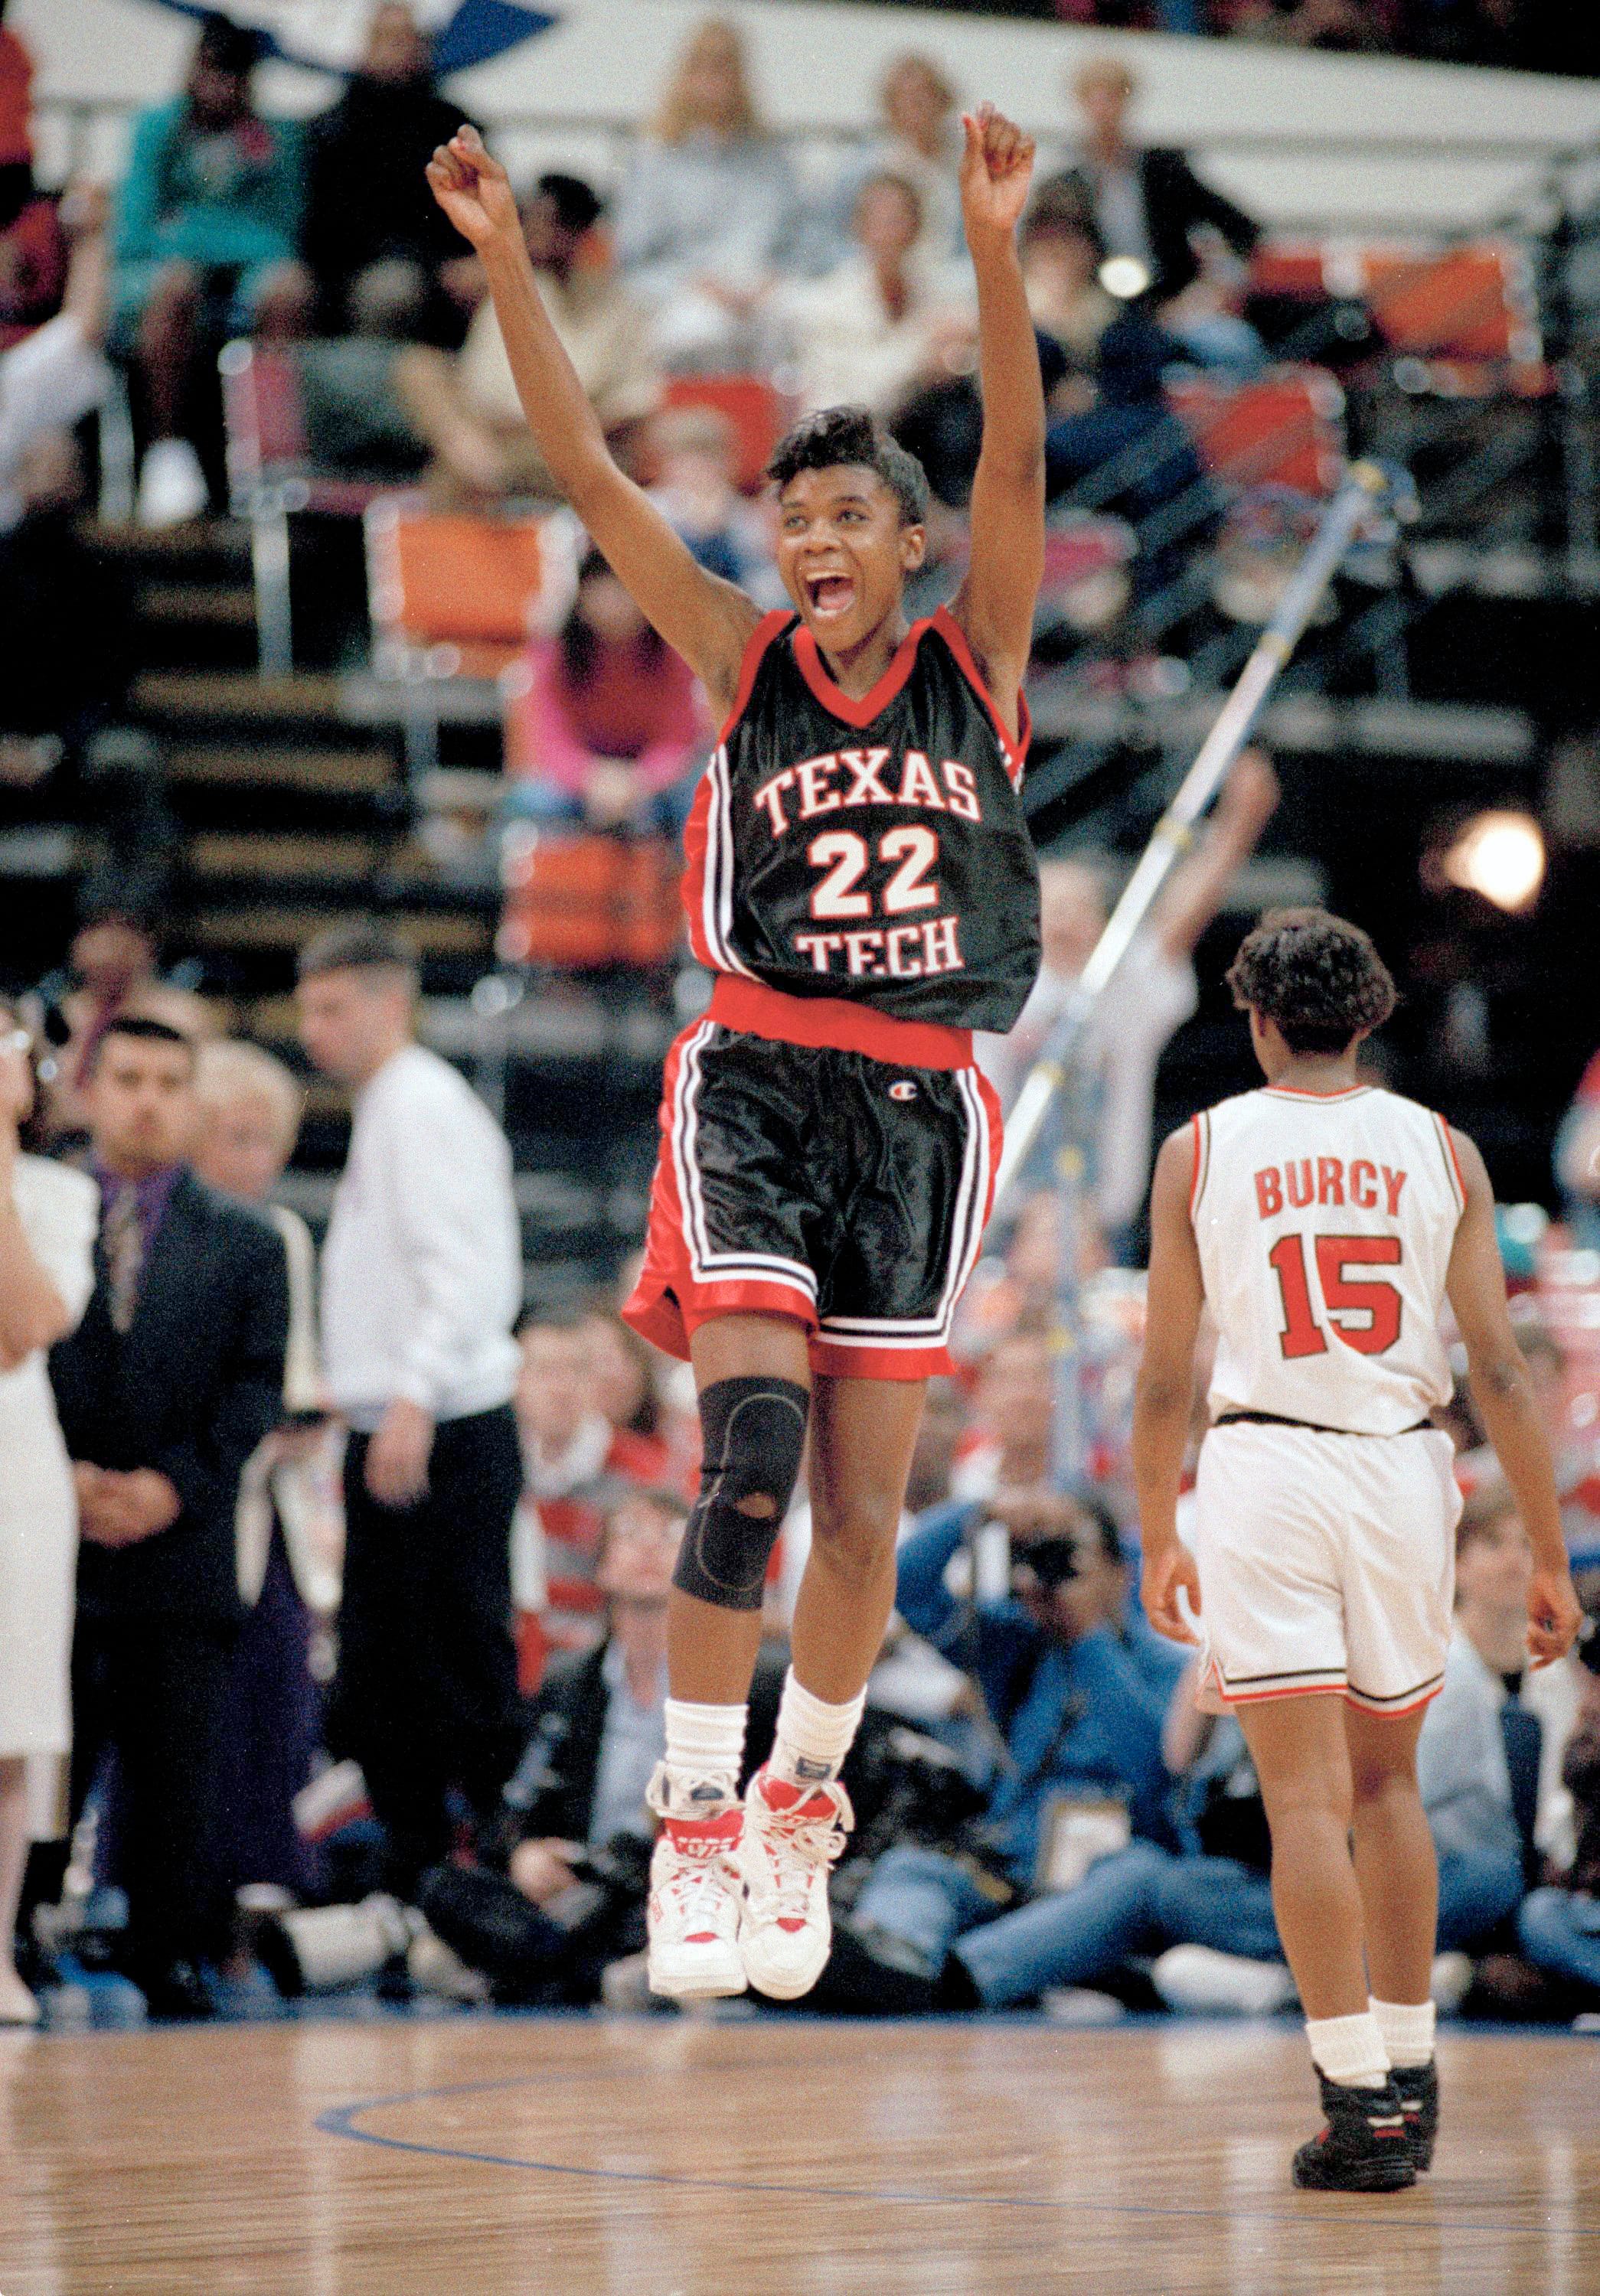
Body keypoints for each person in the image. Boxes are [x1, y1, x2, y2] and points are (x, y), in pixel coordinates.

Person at [426, 101, 1047, 2004]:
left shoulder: (977, 658)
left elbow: (1015, 444)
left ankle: (801, 1801)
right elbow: (584, 470)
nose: (808, 537)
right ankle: (697, 1817)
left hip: (924, 1102)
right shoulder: (733, 650)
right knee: (753, 1449)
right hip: (760, 1074)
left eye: (845, 512)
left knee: (867, 1508)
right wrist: (510, 269)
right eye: (792, 516)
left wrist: (990, 239)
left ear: (909, 541)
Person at [1132, 908, 1582, 2190]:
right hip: (1401, 1465)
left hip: (1267, 1463)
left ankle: (1356, 2100)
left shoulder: (1200, 1149)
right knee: (1386, 1787)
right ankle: (1412, 2065)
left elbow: (1166, 1377)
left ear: (1259, 1022)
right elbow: (1497, 1368)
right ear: (1375, 1017)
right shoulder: (1441, 1148)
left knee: (1305, 1803)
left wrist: (1156, 1526)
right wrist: (1549, 1556)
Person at [48, 1016, 289, 2018]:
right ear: (90, 1089)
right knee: (43, 1751)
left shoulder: (247, 1241)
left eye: (167, 1082)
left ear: (192, 1102)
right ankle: (15, 1930)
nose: (146, 1099)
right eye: (129, 1078)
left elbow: (254, 1392)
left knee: (173, 1763)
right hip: (46, 1533)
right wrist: (59, 1476)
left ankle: (169, 1952)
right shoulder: (34, 1212)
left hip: (180, 1541)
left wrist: (170, 1486)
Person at [296, 921, 524, 1896]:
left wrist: (413, 1398)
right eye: (307, 1008)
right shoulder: (395, 1105)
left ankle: (483, 1875)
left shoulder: (420, 1103)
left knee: (443, 1667)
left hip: (438, 1421)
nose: (313, 1030)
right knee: (388, 1677)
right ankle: (421, 1875)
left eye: (332, 1007)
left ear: (390, 1004)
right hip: (408, 1414)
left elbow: (464, 1271)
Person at [420, 1487, 782, 2005]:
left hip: (683, 1883)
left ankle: (536, 1970)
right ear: (603, 1568)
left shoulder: (746, 1682)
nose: (650, 1549)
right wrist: (526, 1853)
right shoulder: (571, 1684)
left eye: (670, 1536)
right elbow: (515, 1803)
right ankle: (587, 1970)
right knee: (446, 1891)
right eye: (632, 1534)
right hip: (583, 1883)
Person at [827, 1492, 1187, 2012]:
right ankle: (893, 1959)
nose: (1052, 1570)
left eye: (1069, 1554)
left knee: (1143, 1874)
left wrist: (1089, 1639)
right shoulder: (1014, 1647)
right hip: (1008, 1876)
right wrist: (982, 1511)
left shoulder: (1169, 1670)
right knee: (917, 1868)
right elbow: (906, 1587)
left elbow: (1156, 1775)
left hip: (1101, 1890)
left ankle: (958, 1979)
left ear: (1120, 1571)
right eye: (1040, 1553)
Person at [976, 749, 1279, 1258]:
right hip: (1000, 1224)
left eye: (1079, 906)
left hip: (1103, 1224)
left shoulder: (1123, 989)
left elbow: (1182, 916)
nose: (1065, 919)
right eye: (1049, 906)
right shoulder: (990, 990)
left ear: (1102, 923)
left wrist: (1237, 823)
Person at [192, 1039, 331, 1897]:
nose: (251, 1159)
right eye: (232, 1136)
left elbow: (303, 1384)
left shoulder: (283, 1234)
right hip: (192, 1504)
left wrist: (294, 1420)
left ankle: (263, 1894)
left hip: (268, 1507)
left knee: (272, 1699)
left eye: (263, 1140)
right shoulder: (171, 1230)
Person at [113, 13, 309, 527]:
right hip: (160, 279)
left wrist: (192, 230)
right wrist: (220, 237)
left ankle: (270, 459)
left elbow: (281, 236)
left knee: (287, 290)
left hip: (241, 277)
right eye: (210, 71)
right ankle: (167, 452)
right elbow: (134, 233)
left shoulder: (274, 139)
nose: (219, 87)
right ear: (192, 70)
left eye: (233, 75)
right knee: (177, 285)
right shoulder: (157, 129)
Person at [0, 1002, 97, 2024]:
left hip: (15, 1469)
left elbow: (23, 1327)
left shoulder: (58, 1195)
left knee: (11, 1719)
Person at [394, 172, 661, 501]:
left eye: (544, 224)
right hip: (490, 442)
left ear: (578, 231)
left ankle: (480, 472)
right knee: (419, 368)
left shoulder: (620, 308)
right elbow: (477, 386)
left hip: (568, 454)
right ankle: (476, 469)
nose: (530, 234)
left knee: (457, 475)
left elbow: (632, 405)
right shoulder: (505, 291)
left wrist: (551, 433)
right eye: (526, 222)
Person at [610, 18, 806, 372]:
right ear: (685, 75)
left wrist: (771, 280)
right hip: (687, 297)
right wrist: (695, 283)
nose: (716, 80)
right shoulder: (655, 157)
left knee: (807, 324)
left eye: (726, 66)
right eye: (704, 66)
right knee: (699, 332)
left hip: (764, 295)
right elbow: (634, 262)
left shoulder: (773, 158)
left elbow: (803, 244)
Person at [501, 546, 710, 833]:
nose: (616, 605)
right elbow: (549, 741)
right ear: (582, 598)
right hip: (581, 780)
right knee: (528, 802)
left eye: (626, 593)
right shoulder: (553, 654)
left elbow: (678, 740)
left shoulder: (674, 653)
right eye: (605, 593)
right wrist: (591, 780)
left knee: (701, 802)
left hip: (648, 781)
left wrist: (638, 782)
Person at [301, 3, 476, 343]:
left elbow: (479, 200)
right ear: (365, 49)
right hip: (363, 266)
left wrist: (476, 260)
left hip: (445, 263)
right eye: (386, 40)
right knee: (391, 292)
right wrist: (427, 263)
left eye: (404, 39)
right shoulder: (334, 127)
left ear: (423, 48)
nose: (396, 51)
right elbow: (328, 226)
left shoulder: (452, 123)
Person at [776, 173, 972, 422]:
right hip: (852, 436)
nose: (888, 235)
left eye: (897, 221)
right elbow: (856, 395)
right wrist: (923, 361)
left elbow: (962, 358)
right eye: (878, 223)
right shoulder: (827, 303)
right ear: (859, 228)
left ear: (917, 227)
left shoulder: (940, 293)